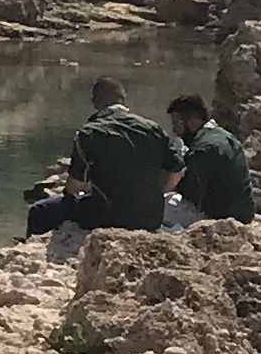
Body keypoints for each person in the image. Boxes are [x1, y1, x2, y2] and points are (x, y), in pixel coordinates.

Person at [27, 76, 179, 236]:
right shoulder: (153, 129)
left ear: (95, 102)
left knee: (39, 210)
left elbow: (75, 186)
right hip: (151, 218)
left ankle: (27, 248)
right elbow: (176, 173)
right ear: (124, 99)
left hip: (107, 217)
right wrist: (157, 194)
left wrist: (67, 195)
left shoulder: (89, 133)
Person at [165, 93, 254, 222]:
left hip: (221, 218)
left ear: (191, 123)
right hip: (243, 213)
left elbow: (190, 193)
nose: (174, 130)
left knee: (161, 208)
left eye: (176, 123)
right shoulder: (225, 136)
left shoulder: (203, 149)